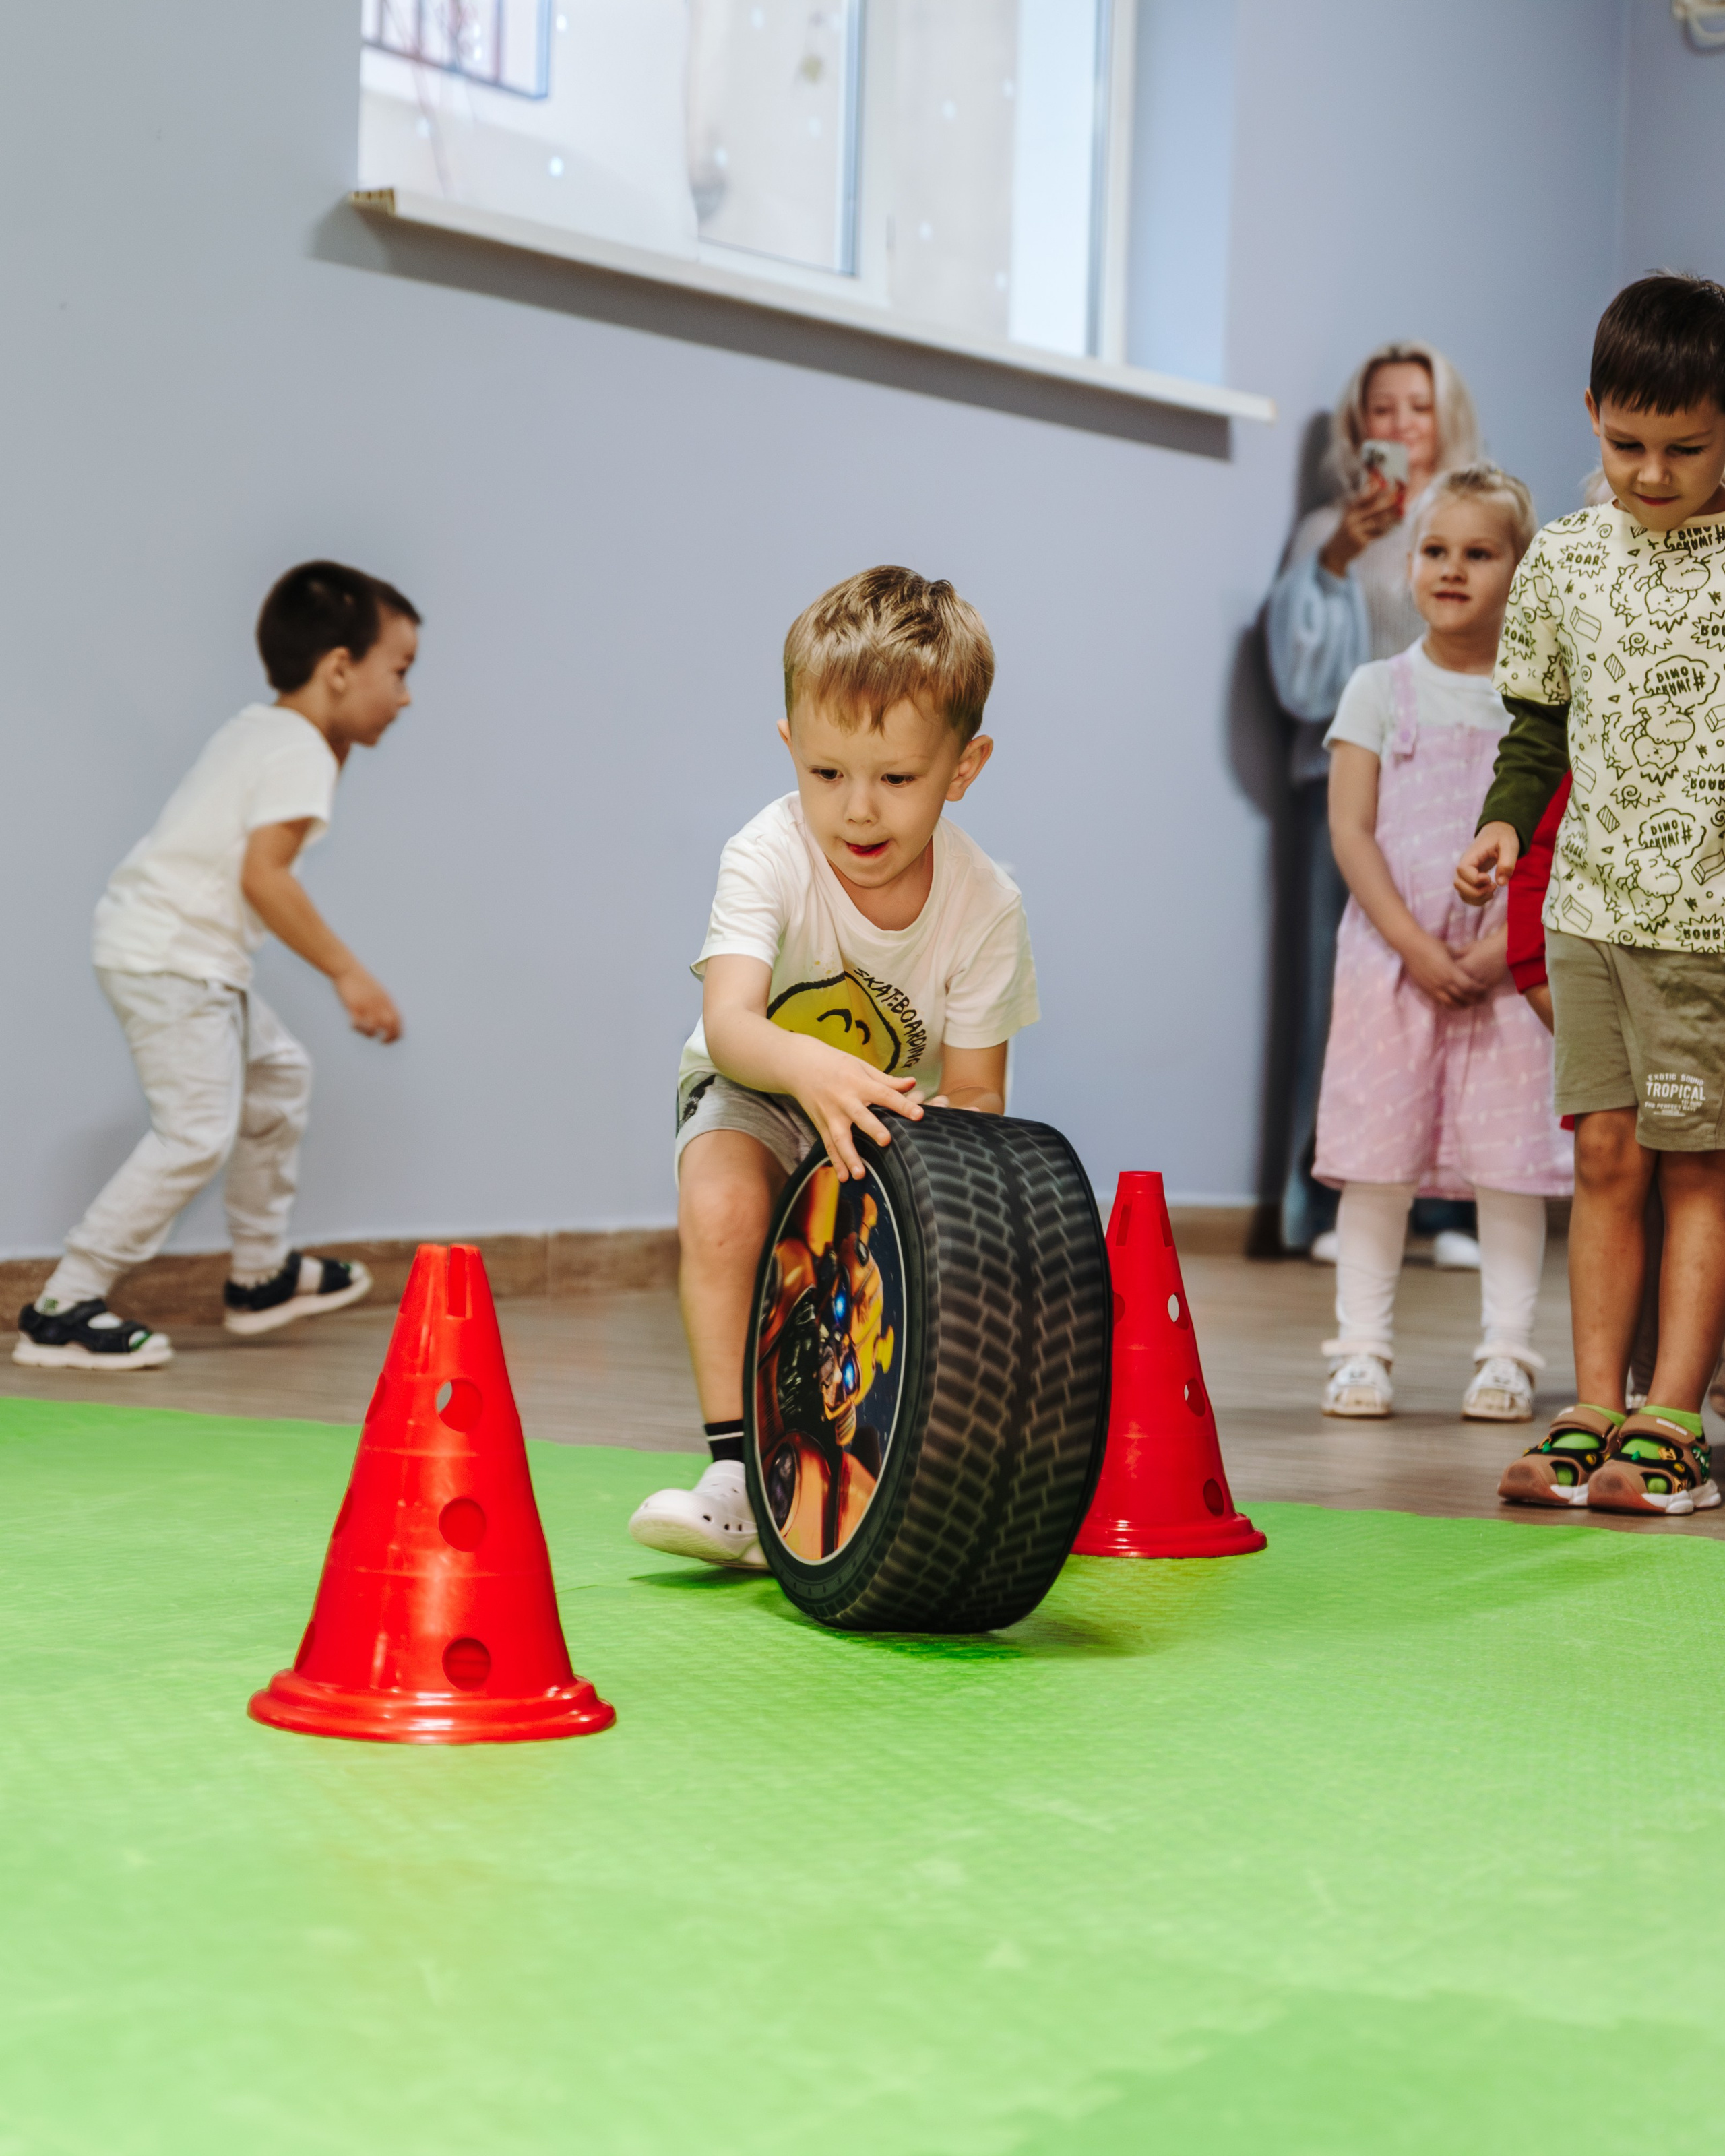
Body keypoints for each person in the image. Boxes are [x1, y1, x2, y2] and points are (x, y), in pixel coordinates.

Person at [629, 566, 1039, 1568]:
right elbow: (730, 1024)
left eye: (896, 780)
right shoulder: (765, 854)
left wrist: (923, 1152)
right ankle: (735, 1472)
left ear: (964, 766)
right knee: (724, 1206)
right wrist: (808, 1073)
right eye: (826, 774)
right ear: (791, 749)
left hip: (899, 1117)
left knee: (926, 1265)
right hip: (758, 1089)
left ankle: (903, 1462)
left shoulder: (988, 906)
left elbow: (979, 1092)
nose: (857, 811)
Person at [1458, 272, 1725, 1515]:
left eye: (1686, 447)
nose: (1652, 473)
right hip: (1590, 917)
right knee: (1605, 1158)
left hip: (1707, 934)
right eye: (1626, 445)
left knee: (1696, 1169)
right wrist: (1507, 829)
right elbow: (1537, 729)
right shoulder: (1564, 562)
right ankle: (1594, 1406)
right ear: (1590, 417)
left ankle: (1675, 1415)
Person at [15, 562, 417, 1371]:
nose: (406, 696)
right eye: (399, 671)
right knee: (196, 1131)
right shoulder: (298, 748)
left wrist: (340, 736)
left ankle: (260, 1276)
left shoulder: (268, 731)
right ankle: (61, 1306)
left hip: (178, 953)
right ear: (339, 667)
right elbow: (264, 876)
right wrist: (348, 973)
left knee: (279, 1075)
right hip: (173, 958)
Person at [1315, 466, 1571, 1421]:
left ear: (1523, 569)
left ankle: (1508, 1352)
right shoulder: (1379, 689)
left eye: (1479, 552)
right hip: (1393, 966)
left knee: (1513, 1169)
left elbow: (1557, 835)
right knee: (1378, 1164)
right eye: (1435, 551)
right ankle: (1361, 1350)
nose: (1451, 570)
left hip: (1510, 977)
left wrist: (1507, 950)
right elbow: (1351, 832)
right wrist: (1414, 945)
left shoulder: (1545, 707)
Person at [1267, 342, 1483, 1259]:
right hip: (1349, 788)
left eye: (1417, 409)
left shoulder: (1479, 522)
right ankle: (1335, 1201)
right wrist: (1336, 560)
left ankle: (1447, 1208)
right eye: (1382, 410)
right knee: (1347, 994)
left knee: (1454, 986)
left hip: (1456, 788)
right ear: (1360, 429)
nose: (1399, 427)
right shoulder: (1328, 529)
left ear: (1445, 421)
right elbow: (1299, 678)